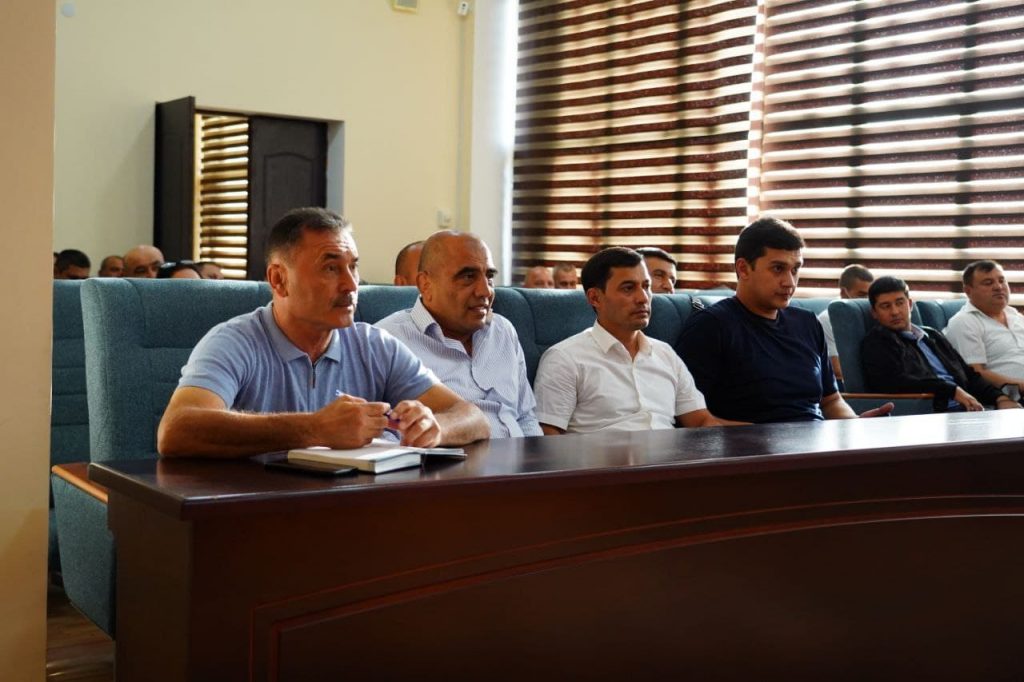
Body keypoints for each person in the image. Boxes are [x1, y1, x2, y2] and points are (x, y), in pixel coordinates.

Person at [157, 207, 489, 458]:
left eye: (353, 266)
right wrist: (314, 428)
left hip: (358, 508)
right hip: (260, 512)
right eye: (330, 268)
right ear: (279, 280)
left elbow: (472, 417)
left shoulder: (374, 345)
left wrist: (434, 427)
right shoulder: (235, 341)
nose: (351, 285)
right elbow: (176, 430)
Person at [676, 216, 893, 423]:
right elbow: (691, 420)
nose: (790, 282)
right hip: (750, 446)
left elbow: (831, 401)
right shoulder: (710, 327)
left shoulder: (807, 323)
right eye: (778, 269)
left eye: (795, 269)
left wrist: (854, 425)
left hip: (815, 441)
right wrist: (760, 438)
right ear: (743, 269)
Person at [533, 247, 739, 434]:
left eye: (646, 286)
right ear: (595, 298)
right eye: (628, 288)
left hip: (671, 460)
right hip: (604, 462)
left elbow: (701, 421)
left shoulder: (665, 354)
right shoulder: (565, 358)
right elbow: (548, 437)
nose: (643, 298)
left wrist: (757, 436)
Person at [377, 231, 541, 438]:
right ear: (425, 284)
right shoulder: (387, 341)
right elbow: (381, 434)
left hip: (520, 456)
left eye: (489, 277)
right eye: (468, 277)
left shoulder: (502, 330)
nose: (485, 291)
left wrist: (536, 456)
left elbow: (526, 417)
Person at [862, 276, 1018, 412]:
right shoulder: (877, 342)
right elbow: (896, 382)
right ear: (874, 313)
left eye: (899, 303)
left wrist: (1000, 398)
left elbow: (968, 375)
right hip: (935, 412)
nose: (895, 312)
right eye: (886, 306)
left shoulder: (932, 335)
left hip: (970, 407)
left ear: (909, 305)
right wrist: (951, 390)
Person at [944, 260, 1024, 395]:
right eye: (988, 283)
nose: (998, 287)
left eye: (1002, 280)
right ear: (968, 291)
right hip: (1009, 396)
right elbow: (976, 373)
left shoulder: (1016, 316)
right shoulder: (964, 322)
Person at [817, 264, 874, 381]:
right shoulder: (828, 319)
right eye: (862, 295)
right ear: (844, 292)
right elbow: (837, 370)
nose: (867, 301)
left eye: (871, 295)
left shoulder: (872, 314)